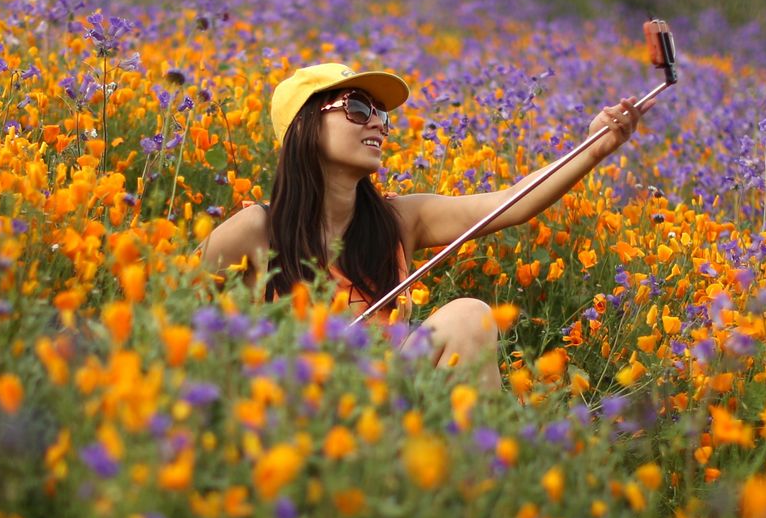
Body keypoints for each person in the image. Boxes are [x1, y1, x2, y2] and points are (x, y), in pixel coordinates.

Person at [199, 63, 641, 393]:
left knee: (468, 315)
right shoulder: (255, 230)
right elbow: (180, 321)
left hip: (387, 407)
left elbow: (511, 204)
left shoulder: (398, 219)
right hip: (295, 417)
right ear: (304, 126)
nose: (377, 122)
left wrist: (593, 148)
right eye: (356, 107)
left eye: (380, 114)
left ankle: (486, 492)